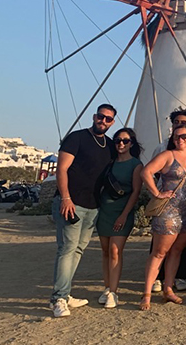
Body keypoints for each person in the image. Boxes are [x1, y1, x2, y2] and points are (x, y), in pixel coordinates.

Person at [50, 103, 117, 318]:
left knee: (78, 249)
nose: (103, 121)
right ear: (94, 116)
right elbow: (62, 169)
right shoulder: (76, 138)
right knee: (67, 248)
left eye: (108, 119)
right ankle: (59, 298)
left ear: (113, 122)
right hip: (72, 202)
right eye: (101, 116)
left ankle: (65, 293)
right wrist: (66, 198)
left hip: (93, 206)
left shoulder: (109, 145)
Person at [140, 127, 186, 310]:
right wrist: (157, 193)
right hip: (169, 211)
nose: (180, 139)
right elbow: (145, 172)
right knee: (159, 252)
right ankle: (146, 294)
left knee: (177, 251)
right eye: (177, 136)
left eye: (184, 136)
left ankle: (168, 289)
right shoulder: (167, 155)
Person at [96, 128, 144, 309]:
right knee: (106, 251)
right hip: (105, 210)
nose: (121, 144)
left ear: (131, 142)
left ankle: (114, 292)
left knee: (116, 250)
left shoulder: (136, 165)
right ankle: (107, 288)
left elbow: (136, 191)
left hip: (122, 211)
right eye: (117, 141)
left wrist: (124, 215)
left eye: (125, 140)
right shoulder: (109, 163)